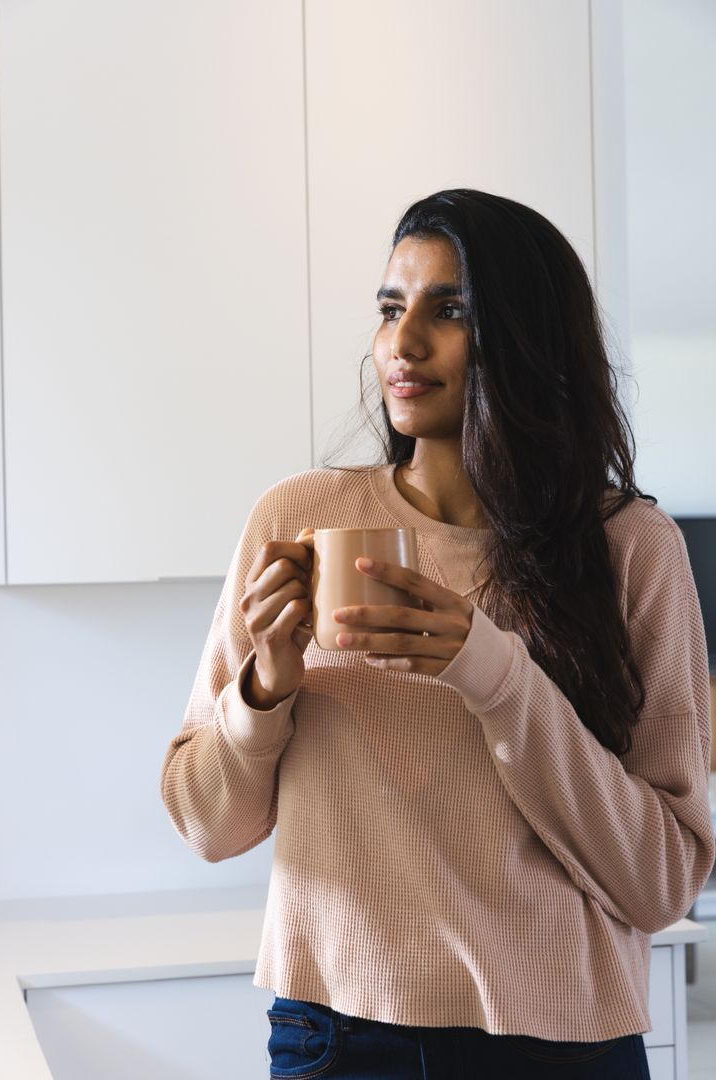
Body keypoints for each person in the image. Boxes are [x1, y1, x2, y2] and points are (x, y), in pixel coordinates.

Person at [160, 189, 715, 1079]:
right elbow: (206, 823)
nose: (402, 344)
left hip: (561, 1044)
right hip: (336, 1036)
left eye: (448, 310)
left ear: (528, 337)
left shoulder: (632, 549)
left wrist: (494, 673)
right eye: (390, 308)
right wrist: (263, 688)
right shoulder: (299, 518)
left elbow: (660, 883)